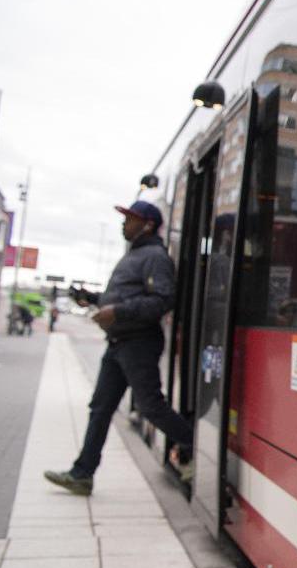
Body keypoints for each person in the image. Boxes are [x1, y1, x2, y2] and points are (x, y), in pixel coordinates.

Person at [44, 200, 192, 495]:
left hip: (138, 343)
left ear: (147, 225)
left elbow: (163, 300)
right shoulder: (134, 255)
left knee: (151, 407)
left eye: (129, 220)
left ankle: (198, 447)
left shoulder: (155, 257)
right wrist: (93, 298)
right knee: (100, 408)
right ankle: (82, 474)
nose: (123, 224)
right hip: (118, 344)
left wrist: (118, 312)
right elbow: (123, 299)